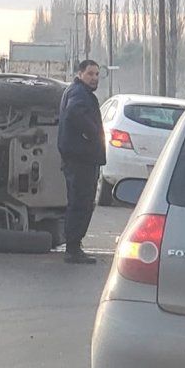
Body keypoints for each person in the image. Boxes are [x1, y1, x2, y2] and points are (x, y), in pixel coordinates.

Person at [57, 60, 106, 264]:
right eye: (90, 74)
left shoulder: (79, 92)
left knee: (81, 202)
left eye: (96, 74)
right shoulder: (79, 94)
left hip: (81, 158)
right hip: (81, 160)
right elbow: (74, 113)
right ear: (80, 74)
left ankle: (74, 246)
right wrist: (92, 134)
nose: (94, 78)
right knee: (81, 203)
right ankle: (73, 248)